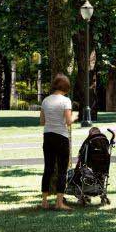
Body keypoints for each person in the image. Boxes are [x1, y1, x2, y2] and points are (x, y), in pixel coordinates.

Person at [40, 74, 75, 209]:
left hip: (47, 136)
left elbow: (42, 121)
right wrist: (75, 117)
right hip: (61, 137)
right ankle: (59, 203)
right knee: (62, 170)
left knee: (48, 169)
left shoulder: (45, 101)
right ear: (66, 87)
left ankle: (44, 201)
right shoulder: (66, 101)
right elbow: (68, 121)